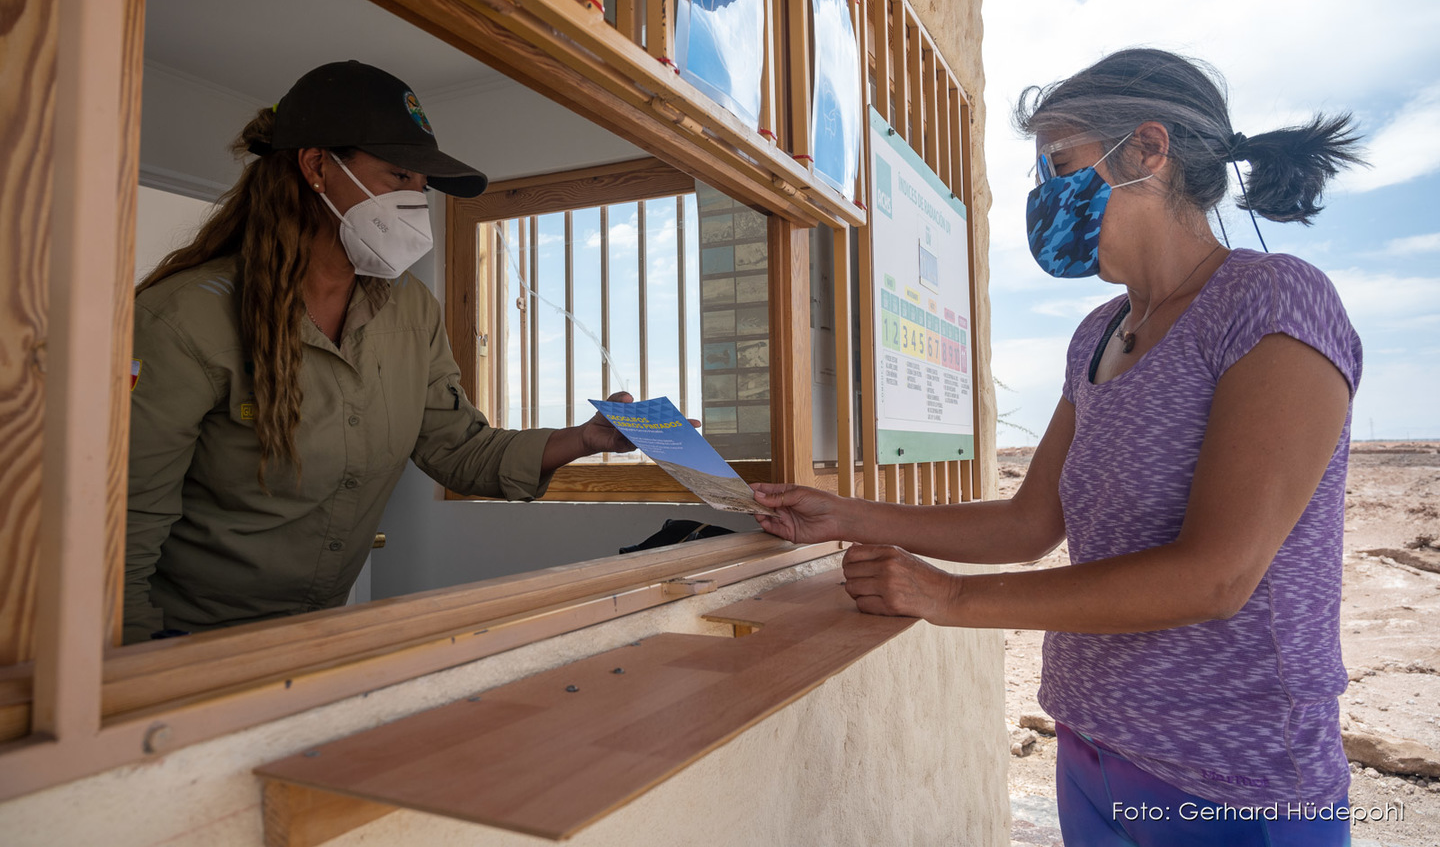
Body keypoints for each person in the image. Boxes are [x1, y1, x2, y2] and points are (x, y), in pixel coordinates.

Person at [752, 48, 1366, 845]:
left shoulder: (1272, 301)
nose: (1045, 195)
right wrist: (845, 516)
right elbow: (1028, 524)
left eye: (1061, 164)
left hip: (1234, 781)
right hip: (1093, 751)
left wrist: (951, 599)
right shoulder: (1099, 335)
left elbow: (1217, 576)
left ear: (1149, 150)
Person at [125, 60, 635, 644]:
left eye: (423, 186)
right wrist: (129, 681)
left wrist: (585, 438)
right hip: (183, 647)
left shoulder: (411, 311)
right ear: (317, 165)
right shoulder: (185, 320)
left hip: (317, 639)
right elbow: (120, 532)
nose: (417, 204)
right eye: (399, 177)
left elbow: (457, 449)